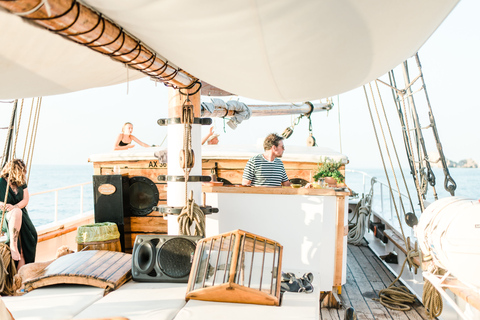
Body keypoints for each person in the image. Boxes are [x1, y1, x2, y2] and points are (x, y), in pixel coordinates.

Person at [0, 159, 37, 268]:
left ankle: (23, 274)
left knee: (31, 237)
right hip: (5, 214)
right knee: (16, 213)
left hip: (21, 214)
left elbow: (25, 200)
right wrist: (8, 207)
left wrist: (15, 207)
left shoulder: (21, 182)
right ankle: (13, 245)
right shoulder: (1, 182)